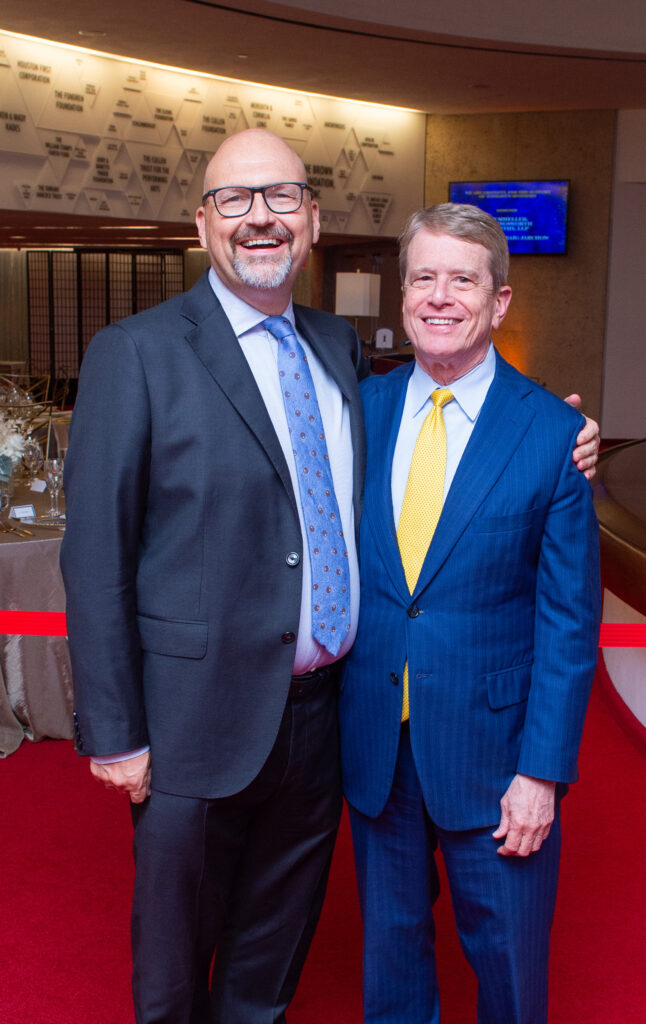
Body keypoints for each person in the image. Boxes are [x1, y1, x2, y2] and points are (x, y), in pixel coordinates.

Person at [60, 128, 599, 1024]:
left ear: (311, 220)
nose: (260, 217)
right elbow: (95, 555)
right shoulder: (137, 354)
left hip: (322, 731)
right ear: (202, 225)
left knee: (270, 963)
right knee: (171, 970)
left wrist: (560, 436)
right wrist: (114, 732)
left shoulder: (341, 356)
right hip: (196, 725)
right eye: (236, 199)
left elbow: (467, 455)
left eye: (281, 198)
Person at [338, 203, 602, 1024]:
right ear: (402, 294)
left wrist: (542, 774)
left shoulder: (552, 433)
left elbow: (567, 624)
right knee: (391, 962)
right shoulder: (358, 413)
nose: (439, 296)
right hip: (377, 742)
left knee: (510, 972)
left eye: (463, 279)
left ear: (499, 302)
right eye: (423, 277)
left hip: (498, 762)